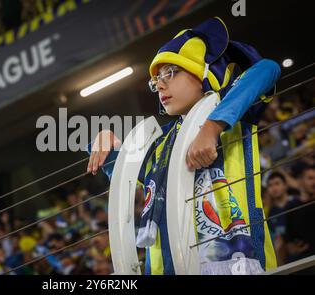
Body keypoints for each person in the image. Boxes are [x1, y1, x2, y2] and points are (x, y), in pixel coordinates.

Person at [87, 17, 281, 274]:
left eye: (171, 72)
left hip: (239, 262)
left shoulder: (232, 115)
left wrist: (212, 128)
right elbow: (123, 173)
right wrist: (100, 140)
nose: (160, 85)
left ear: (202, 72)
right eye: (155, 81)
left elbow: (267, 69)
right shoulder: (160, 143)